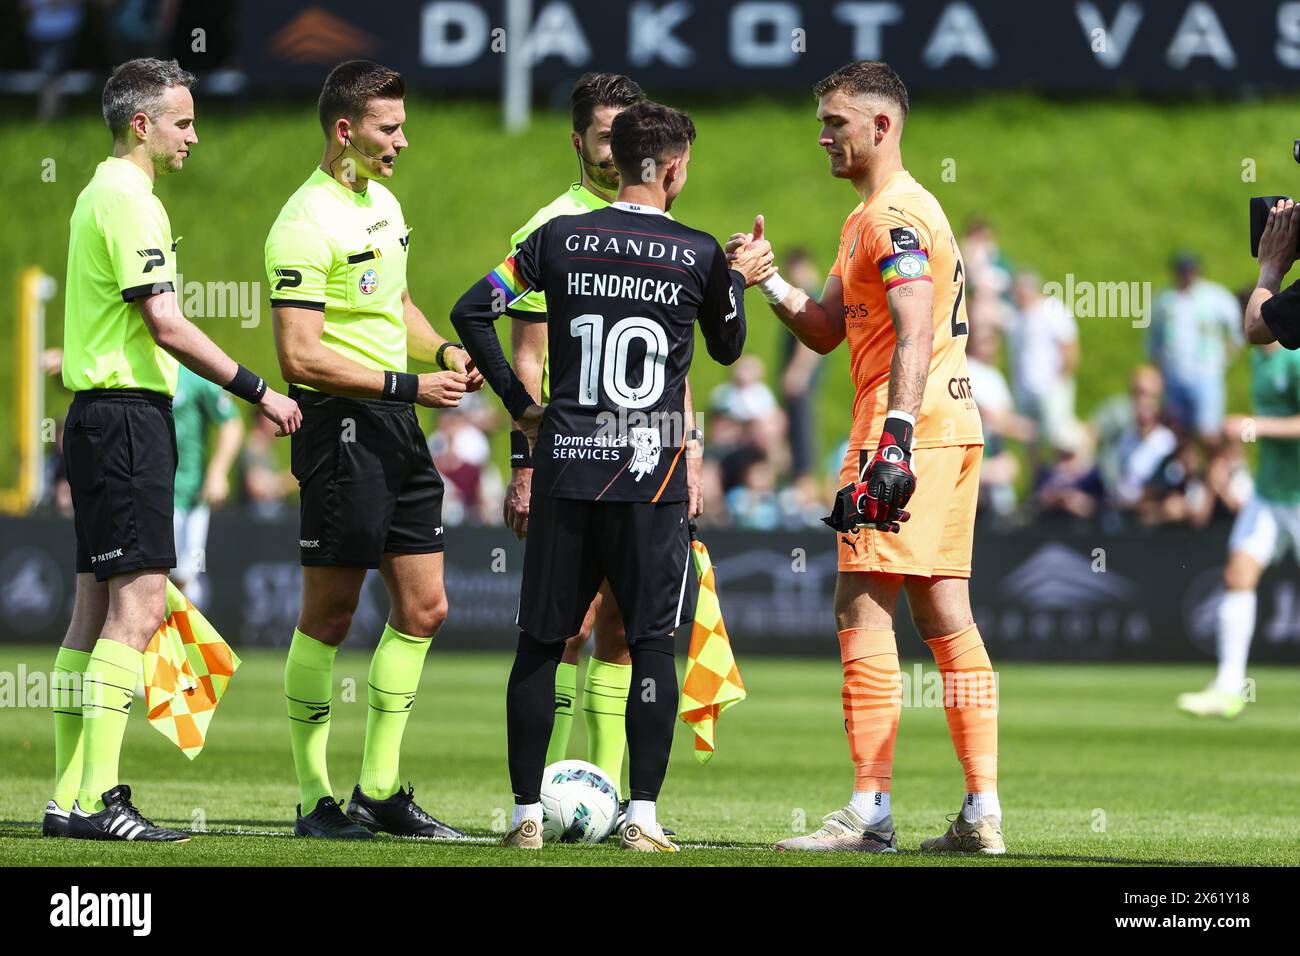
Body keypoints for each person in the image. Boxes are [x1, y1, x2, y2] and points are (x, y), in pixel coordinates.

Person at [452, 100, 766, 852]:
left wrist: (524, 408)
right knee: (655, 646)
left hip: (566, 472)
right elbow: (727, 347)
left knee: (539, 643)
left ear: (615, 162)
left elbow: (473, 311)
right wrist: (739, 278)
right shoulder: (697, 254)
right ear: (674, 168)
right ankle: (643, 817)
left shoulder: (556, 238)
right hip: (651, 481)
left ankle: (526, 815)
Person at [730, 60, 1001, 854]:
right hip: (952, 424)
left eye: (835, 122)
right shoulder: (880, 216)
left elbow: (914, 329)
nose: (823, 135)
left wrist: (895, 440)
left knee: (859, 607)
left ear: (881, 126)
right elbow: (826, 330)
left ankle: (870, 810)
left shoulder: (893, 216)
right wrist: (772, 281)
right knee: (945, 613)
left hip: (905, 427)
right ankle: (982, 811)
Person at [48, 58, 300, 842]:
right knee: (139, 606)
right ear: (140, 125)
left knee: (92, 610)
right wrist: (259, 389)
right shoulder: (130, 201)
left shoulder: (101, 193)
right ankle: (94, 800)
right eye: (182, 121)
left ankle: (66, 795)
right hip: (125, 419)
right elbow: (167, 324)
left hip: (96, 416)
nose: (194, 134)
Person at [266, 59, 482, 840]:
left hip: (398, 424)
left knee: (425, 607)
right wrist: (406, 387)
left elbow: (396, 302)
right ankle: (312, 800)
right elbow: (300, 357)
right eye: (389, 129)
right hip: (342, 429)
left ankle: (381, 791)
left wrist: (443, 353)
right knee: (328, 616)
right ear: (344, 131)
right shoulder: (301, 222)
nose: (403, 141)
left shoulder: (383, 203)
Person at [502, 74, 699, 805]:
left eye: (627, 133)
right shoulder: (550, 226)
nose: (615, 148)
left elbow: (673, 363)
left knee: (629, 630)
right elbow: (525, 355)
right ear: (579, 139)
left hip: (649, 454)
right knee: (569, 627)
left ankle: (607, 792)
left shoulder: (661, 227)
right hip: (574, 454)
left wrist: (692, 452)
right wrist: (524, 460)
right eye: (604, 132)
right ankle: (551, 793)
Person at [1178, 338, 1300, 717]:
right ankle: (1229, 689)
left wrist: (1254, 426)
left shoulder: (1295, 360)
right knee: (1237, 575)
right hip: (1268, 492)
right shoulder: (1259, 360)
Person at [171, 365, 244, 608]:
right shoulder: (137, 366)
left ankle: (185, 642)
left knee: (182, 577)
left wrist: (217, 472)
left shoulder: (192, 374)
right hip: (143, 494)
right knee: (150, 578)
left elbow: (232, 423)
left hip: (188, 496)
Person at [1148, 252, 1241, 440]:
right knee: (1177, 431)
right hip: (1174, 375)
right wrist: (1158, 367)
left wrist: (1226, 354)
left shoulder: (1213, 296)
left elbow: (1236, 324)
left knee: (1208, 430)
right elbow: (1153, 336)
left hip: (1206, 373)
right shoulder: (1165, 299)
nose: (1186, 275)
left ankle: (1211, 468)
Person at [1007, 270, 1079, 455]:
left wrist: (1060, 381)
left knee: (1058, 438)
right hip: (1025, 392)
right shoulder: (1017, 317)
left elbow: (1069, 347)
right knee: (1031, 443)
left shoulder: (1052, 309)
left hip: (1051, 388)